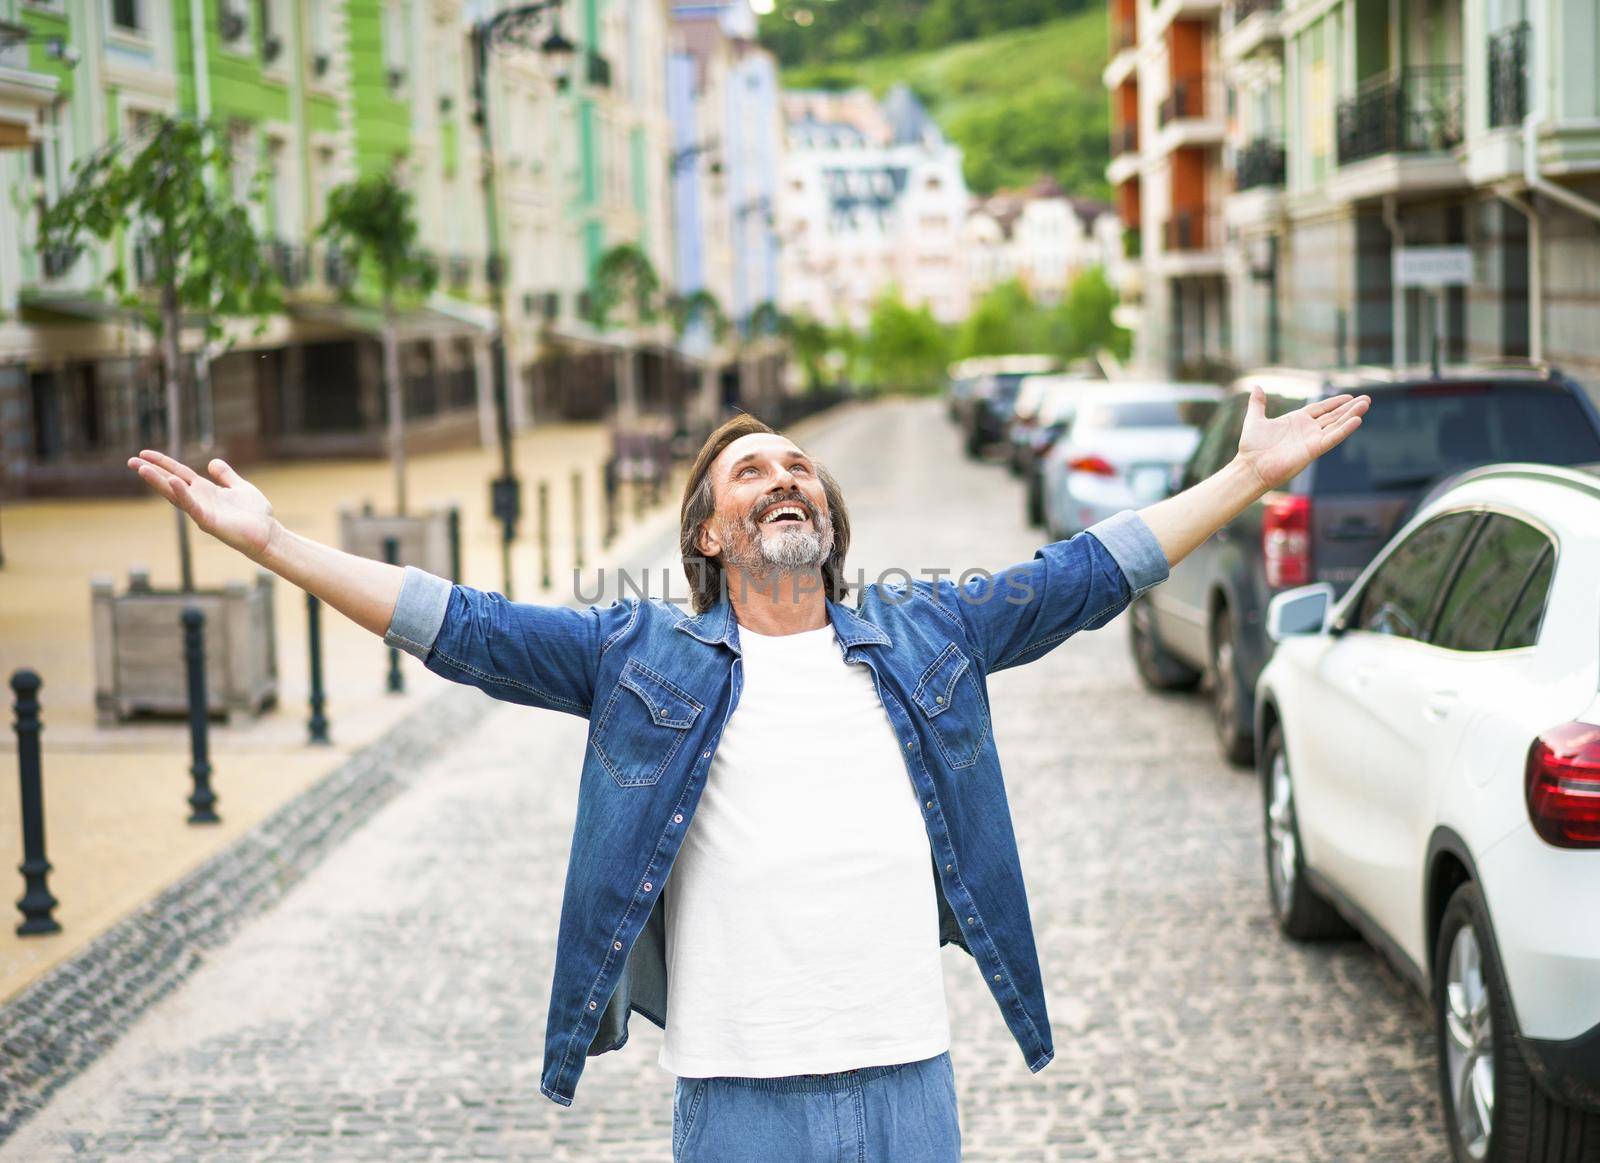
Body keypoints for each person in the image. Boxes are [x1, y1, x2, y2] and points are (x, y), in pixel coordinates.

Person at [127, 385, 1369, 1162]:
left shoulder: (928, 630)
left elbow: (1091, 571)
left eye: (797, 467)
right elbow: (468, 628)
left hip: (908, 1080)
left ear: (824, 515)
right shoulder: (639, 653)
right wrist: (275, 543)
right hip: (738, 1100)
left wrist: (1251, 475)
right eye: (751, 473)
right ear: (713, 536)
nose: (785, 477)